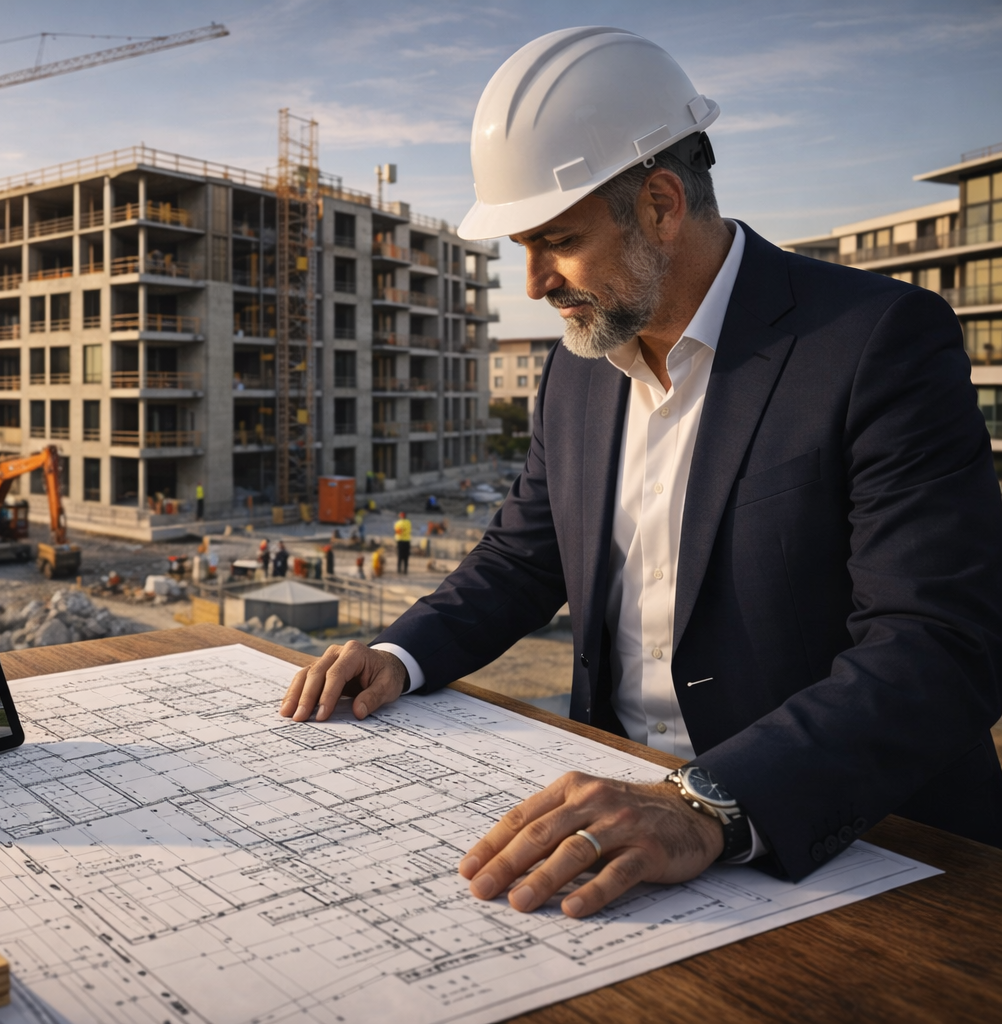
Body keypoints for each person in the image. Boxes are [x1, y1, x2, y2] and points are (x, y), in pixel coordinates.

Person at [280, 27, 1002, 921]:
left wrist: (711, 804)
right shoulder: (579, 366)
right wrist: (400, 655)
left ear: (661, 203)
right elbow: (524, 556)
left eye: (557, 241)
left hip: (861, 851)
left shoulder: (874, 342)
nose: (534, 283)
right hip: (618, 830)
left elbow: (940, 643)